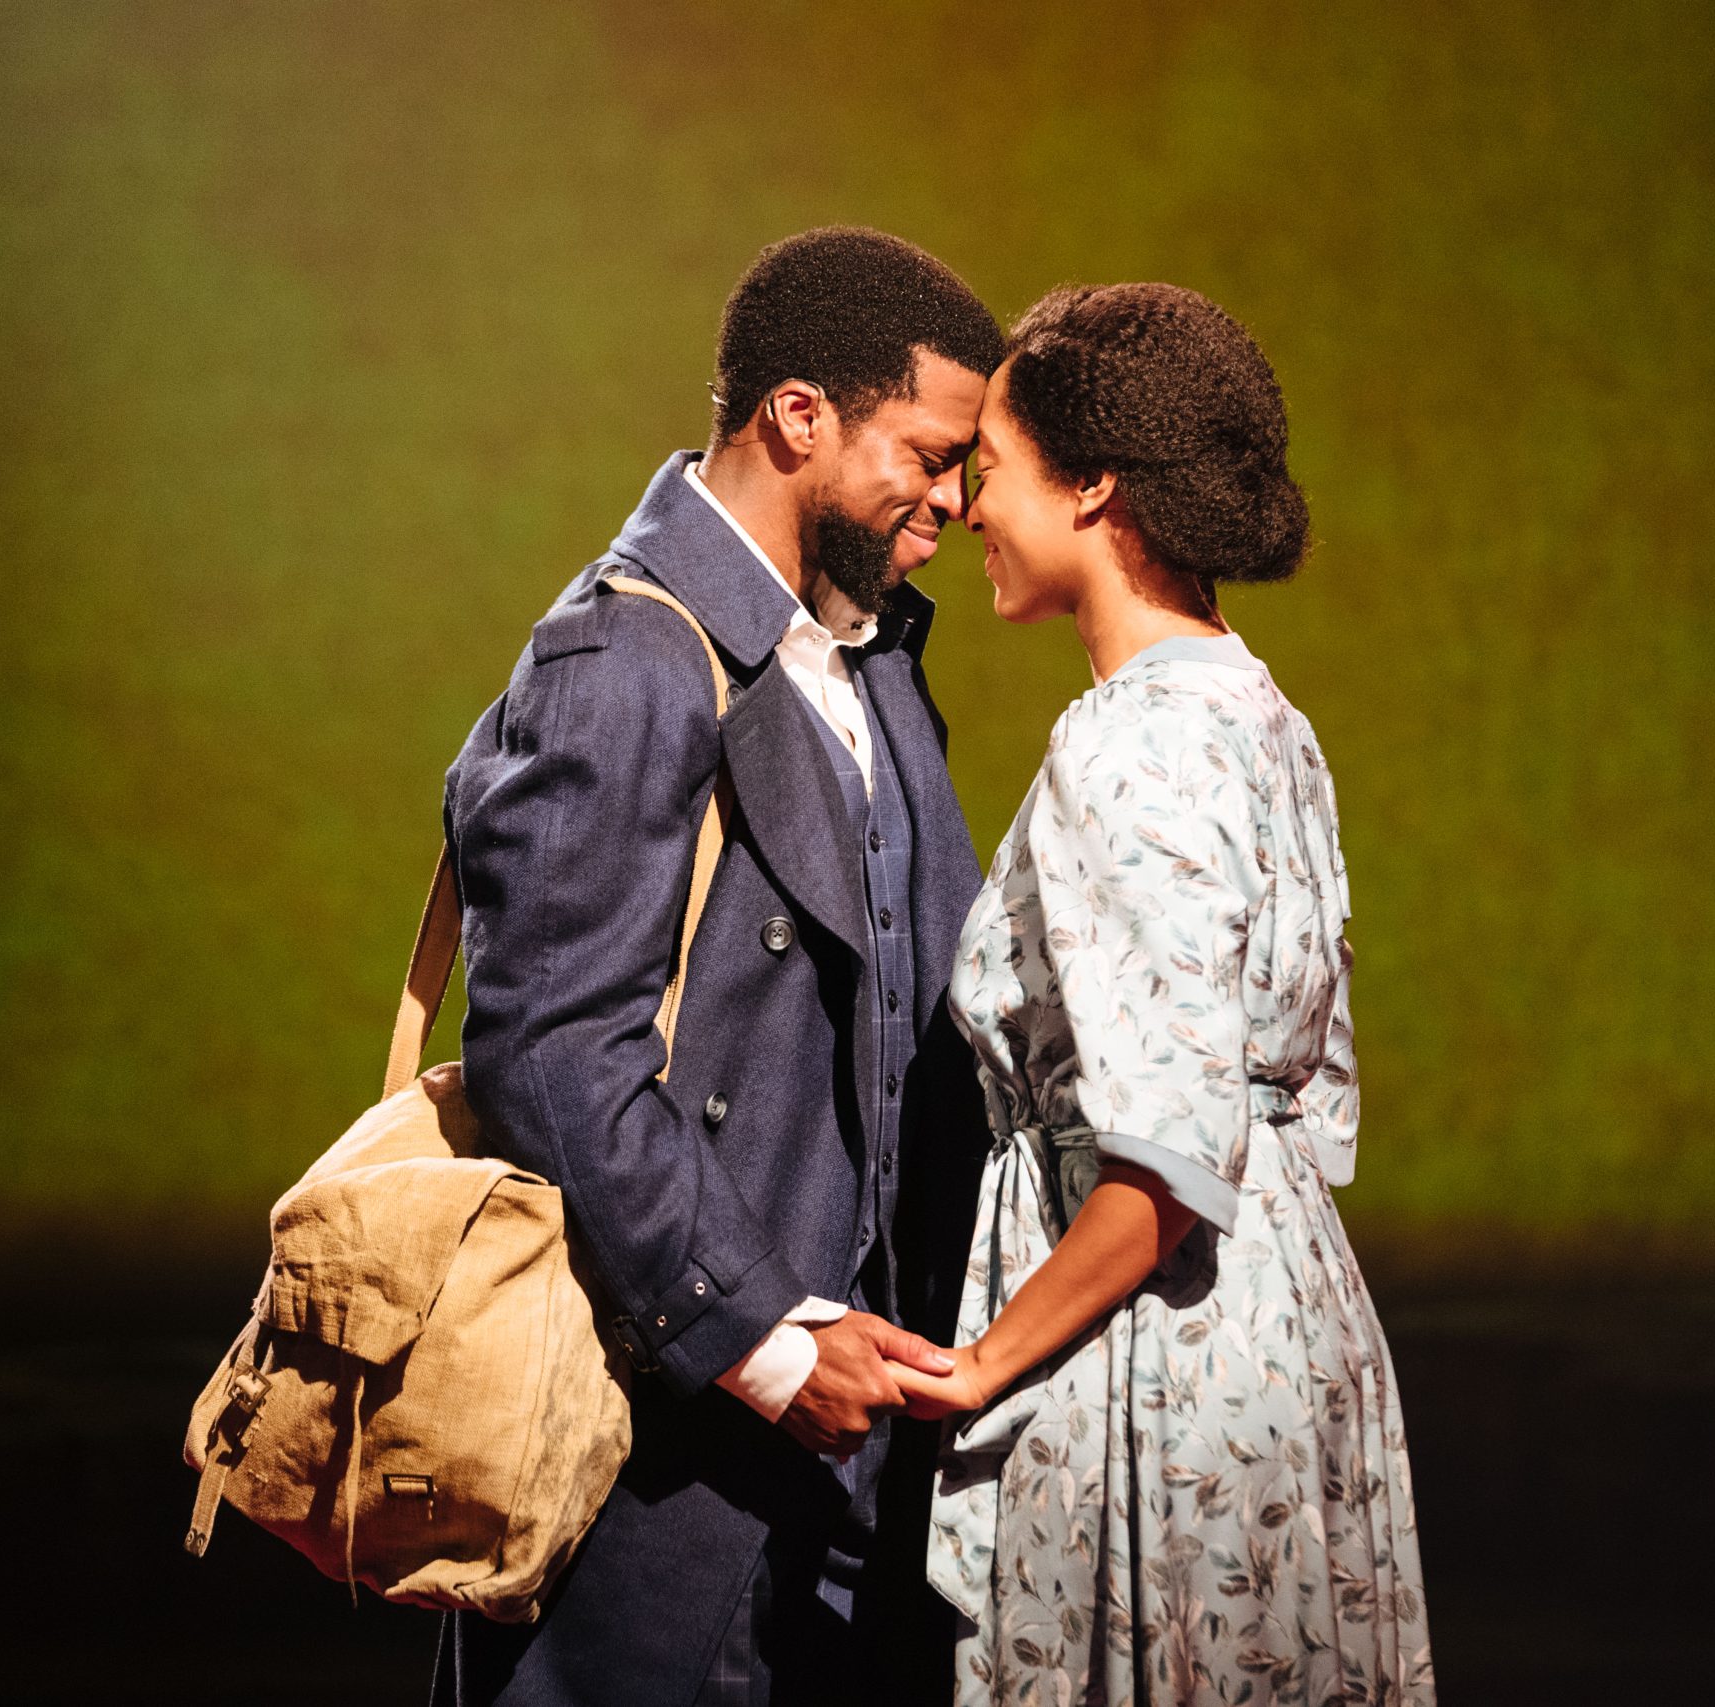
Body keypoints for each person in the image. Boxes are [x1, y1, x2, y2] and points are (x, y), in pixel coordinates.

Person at [432, 227, 1003, 1707]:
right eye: (930, 455)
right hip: (670, 1451)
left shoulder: (867, 652)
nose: (953, 500)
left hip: (856, 1466)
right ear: (797, 416)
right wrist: (757, 1334)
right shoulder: (623, 659)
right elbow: (554, 1051)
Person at [888, 283, 1438, 1704]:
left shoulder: (1132, 746)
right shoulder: (1258, 711)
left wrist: (976, 1368)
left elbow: (1168, 1155)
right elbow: (1296, 1104)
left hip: (1163, 1357)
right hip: (1271, 1324)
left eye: (989, 472)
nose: (958, 509)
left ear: (1094, 488)